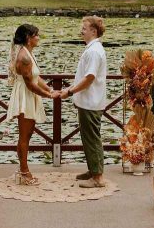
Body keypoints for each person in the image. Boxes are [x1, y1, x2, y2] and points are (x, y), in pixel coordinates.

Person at [61, 15, 108, 188]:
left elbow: (89, 78)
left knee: (92, 139)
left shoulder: (94, 51)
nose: (81, 31)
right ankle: (93, 170)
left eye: (84, 28)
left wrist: (70, 91)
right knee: (89, 138)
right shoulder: (93, 49)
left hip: (91, 102)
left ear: (93, 31)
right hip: (89, 101)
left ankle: (97, 177)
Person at [7, 24, 56, 185]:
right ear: (29, 38)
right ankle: (24, 172)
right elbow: (30, 85)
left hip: (29, 95)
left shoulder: (28, 53)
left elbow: (36, 77)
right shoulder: (24, 57)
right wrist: (48, 95)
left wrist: (49, 88)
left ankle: (22, 170)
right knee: (24, 135)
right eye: (36, 35)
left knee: (27, 134)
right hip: (25, 96)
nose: (38, 38)